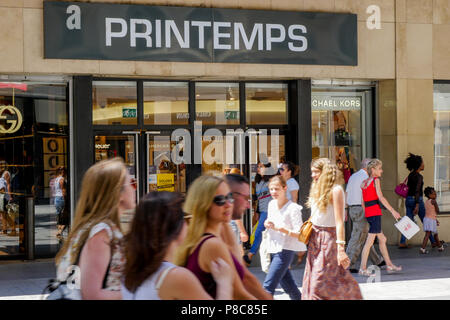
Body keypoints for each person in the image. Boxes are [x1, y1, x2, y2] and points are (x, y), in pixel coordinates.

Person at [121, 191, 233, 300]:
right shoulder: (176, 277)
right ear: (175, 227)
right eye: (185, 218)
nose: (188, 223)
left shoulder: (129, 273)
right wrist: (224, 283)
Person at [54, 158, 136, 299]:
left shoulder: (93, 227)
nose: (135, 188)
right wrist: (136, 293)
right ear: (118, 193)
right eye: (132, 183)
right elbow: (92, 294)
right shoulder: (101, 234)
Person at [175, 175, 256, 300]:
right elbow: (239, 294)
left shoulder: (203, 239)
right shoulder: (212, 245)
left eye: (230, 197)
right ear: (204, 205)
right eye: (220, 200)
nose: (228, 204)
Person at [302, 158, 362, 300]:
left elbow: (339, 221)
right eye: (312, 172)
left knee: (320, 282)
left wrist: (341, 249)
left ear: (325, 172)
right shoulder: (316, 187)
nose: (312, 175)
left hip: (329, 239)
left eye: (316, 172)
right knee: (315, 280)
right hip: (315, 238)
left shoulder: (336, 190)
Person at [223, 174, 273, 300]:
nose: (247, 205)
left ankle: (249, 256)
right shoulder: (215, 238)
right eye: (244, 198)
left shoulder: (223, 229)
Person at [263, 175, 306, 300]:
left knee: (268, 287)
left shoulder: (293, 208)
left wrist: (281, 229)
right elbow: (270, 221)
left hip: (285, 250)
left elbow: (299, 233)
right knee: (289, 286)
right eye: (271, 189)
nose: (273, 192)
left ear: (285, 188)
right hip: (272, 247)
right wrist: (267, 223)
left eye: (277, 189)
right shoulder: (271, 204)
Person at [359, 159, 402, 276]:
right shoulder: (375, 180)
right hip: (375, 213)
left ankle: (389, 264)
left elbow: (363, 202)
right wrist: (393, 211)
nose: (381, 171)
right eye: (379, 168)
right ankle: (362, 268)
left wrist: (367, 214)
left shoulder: (363, 182)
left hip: (369, 213)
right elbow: (381, 197)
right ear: (373, 170)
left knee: (382, 239)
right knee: (369, 241)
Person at [345, 158, 384, 273]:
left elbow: (347, 193)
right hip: (362, 208)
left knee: (366, 236)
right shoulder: (367, 178)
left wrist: (346, 209)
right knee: (358, 237)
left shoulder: (353, 176)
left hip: (353, 208)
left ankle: (377, 260)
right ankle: (348, 263)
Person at [399, 153, 435, 248]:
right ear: (419, 165)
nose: (424, 164)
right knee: (426, 221)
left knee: (408, 221)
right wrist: (417, 204)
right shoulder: (419, 177)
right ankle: (433, 241)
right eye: (422, 162)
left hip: (408, 199)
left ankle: (402, 242)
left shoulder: (410, 175)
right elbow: (417, 191)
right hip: (416, 200)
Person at [243, 161, 273, 266]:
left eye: (261, 166)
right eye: (258, 167)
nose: (259, 168)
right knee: (268, 235)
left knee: (258, 232)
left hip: (270, 211)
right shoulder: (258, 183)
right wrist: (256, 212)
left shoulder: (271, 181)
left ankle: (249, 256)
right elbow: (258, 200)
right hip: (262, 211)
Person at [421, 187, 444, 254]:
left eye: (435, 194)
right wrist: (436, 205)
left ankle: (440, 247)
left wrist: (435, 220)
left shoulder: (426, 202)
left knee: (435, 234)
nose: (435, 195)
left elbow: (430, 212)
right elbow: (437, 211)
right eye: (434, 194)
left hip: (428, 219)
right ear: (429, 195)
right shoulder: (433, 201)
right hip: (430, 220)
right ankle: (422, 248)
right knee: (428, 234)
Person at [54, 167, 68, 240]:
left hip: (56, 198)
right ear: (63, 172)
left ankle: (60, 232)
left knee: (59, 217)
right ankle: (59, 232)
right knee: (66, 217)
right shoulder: (62, 180)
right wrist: (66, 201)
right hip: (61, 198)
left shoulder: (56, 179)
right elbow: (63, 191)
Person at [0, 170, 12, 235]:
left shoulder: (1, 180)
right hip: (4, 199)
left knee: (3, 215)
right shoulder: (3, 180)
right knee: (3, 215)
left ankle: (5, 229)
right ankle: (5, 229)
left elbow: (2, 190)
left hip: (3, 199)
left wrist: (10, 196)